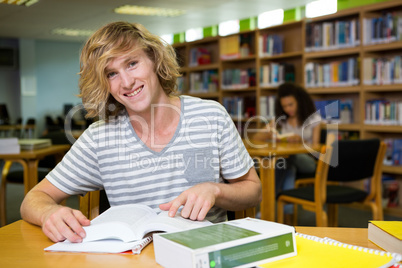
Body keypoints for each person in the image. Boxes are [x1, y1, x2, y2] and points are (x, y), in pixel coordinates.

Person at [20, 21, 262, 243]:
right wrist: (49, 212)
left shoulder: (211, 116)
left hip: (202, 253)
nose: (126, 82)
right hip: (133, 258)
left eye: (132, 63)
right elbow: (33, 198)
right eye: (111, 74)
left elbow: (253, 190)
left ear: (154, 60)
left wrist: (215, 190)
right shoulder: (99, 138)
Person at [253, 82, 321, 218]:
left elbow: (316, 147)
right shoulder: (281, 119)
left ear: (300, 101)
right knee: (288, 166)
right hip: (288, 161)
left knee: (287, 159)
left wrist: (300, 141)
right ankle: (287, 215)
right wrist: (271, 134)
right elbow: (256, 137)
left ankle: (267, 204)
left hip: (308, 163)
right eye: (284, 106)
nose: (288, 109)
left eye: (291, 104)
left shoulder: (314, 118)